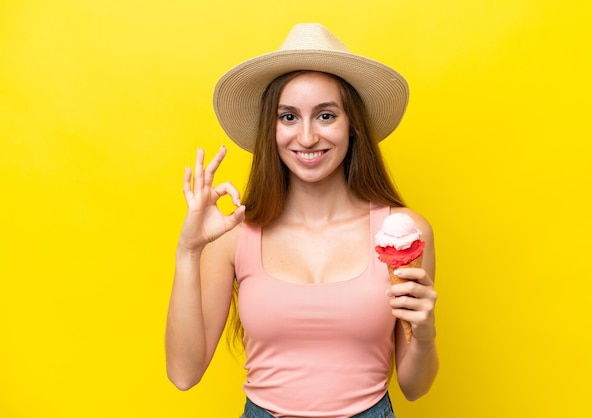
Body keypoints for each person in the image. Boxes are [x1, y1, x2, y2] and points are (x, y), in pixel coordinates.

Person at [165, 23, 438, 418]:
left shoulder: (403, 234)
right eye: (288, 117)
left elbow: (415, 387)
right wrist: (189, 250)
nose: (307, 137)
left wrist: (425, 334)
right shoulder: (233, 238)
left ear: (353, 127)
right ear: (270, 130)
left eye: (326, 115)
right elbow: (183, 373)